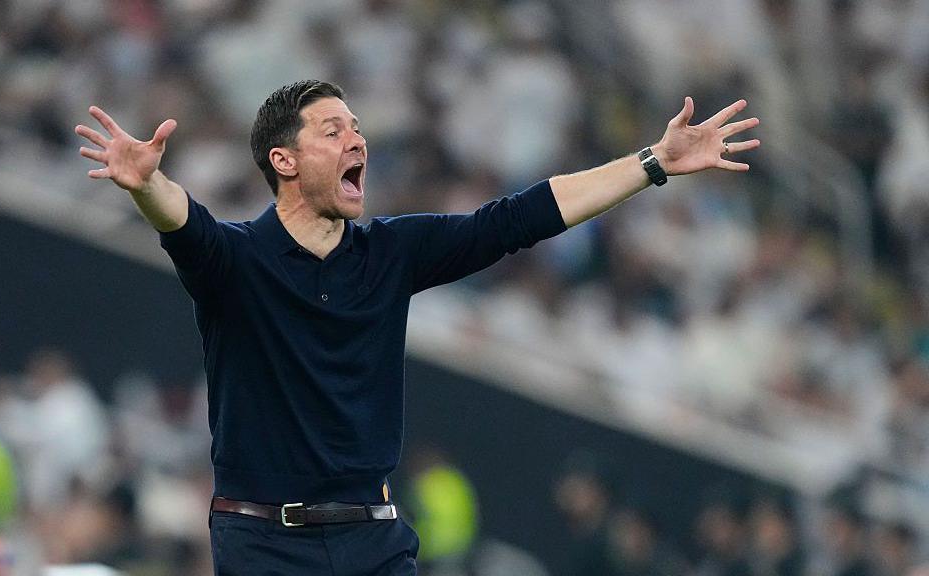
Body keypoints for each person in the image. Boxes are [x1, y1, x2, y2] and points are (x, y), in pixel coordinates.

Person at [74, 79, 759, 575]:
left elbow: (515, 219)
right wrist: (142, 184)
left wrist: (653, 164)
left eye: (358, 127)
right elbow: (185, 223)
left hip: (375, 543)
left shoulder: (390, 253)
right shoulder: (237, 262)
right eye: (334, 129)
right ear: (284, 160)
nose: (357, 139)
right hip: (264, 548)